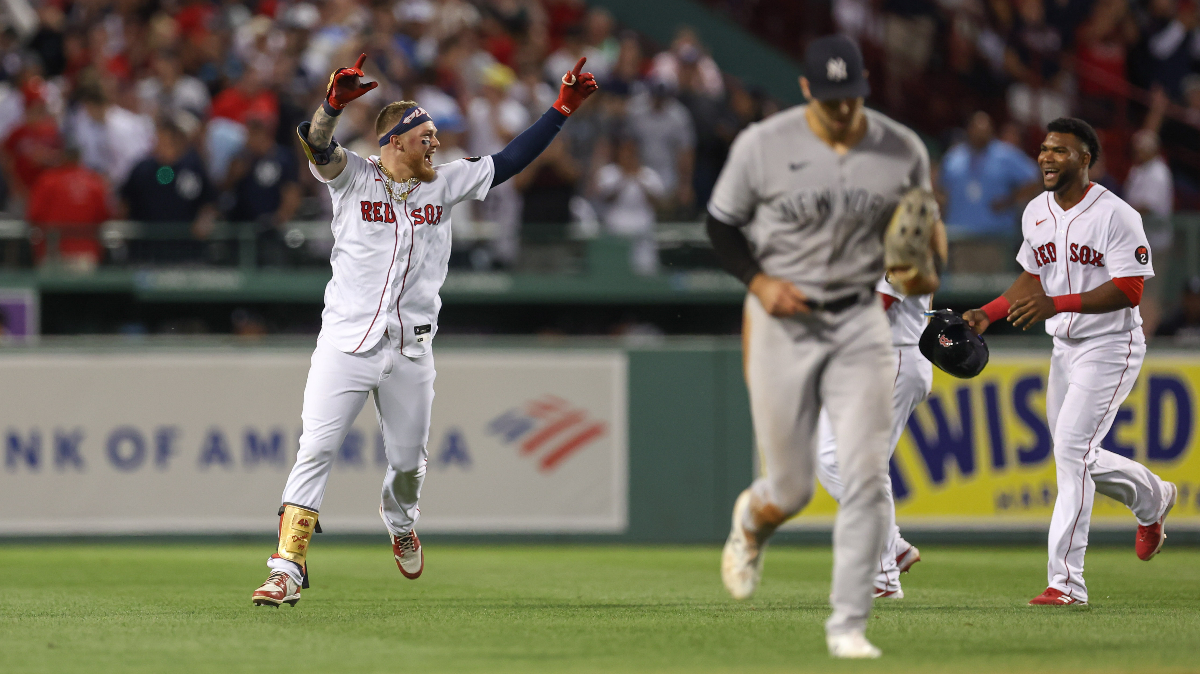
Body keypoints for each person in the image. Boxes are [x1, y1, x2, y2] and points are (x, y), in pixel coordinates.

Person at [251, 54, 598, 607]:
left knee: (408, 464)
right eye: (426, 136)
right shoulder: (354, 177)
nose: (436, 143)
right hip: (345, 344)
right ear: (394, 141)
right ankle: (286, 568)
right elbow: (317, 145)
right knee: (314, 450)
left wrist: (560, 110)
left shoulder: (447, 184)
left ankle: (400, 520)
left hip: (411, 350)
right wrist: (334, 105)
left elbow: (510, 160)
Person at [706, 36, 941, 659]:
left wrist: (921, 270)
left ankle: (862, 604)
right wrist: (761, 286)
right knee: (793, 484)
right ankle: (773, 527)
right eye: (830, 97)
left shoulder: (899, 158)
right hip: (810, 335)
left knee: (854, 466)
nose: (842, 110)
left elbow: (919, 272)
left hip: (874, 342)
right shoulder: (766, 146)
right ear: (807, 89)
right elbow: (722, 225)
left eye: (852, 97)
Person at [963, 118, 1177, 607]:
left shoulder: (1117, 215)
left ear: (1085, 159)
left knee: (1072, 452)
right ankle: (1153, 498)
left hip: (1111, 345)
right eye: (1043, 149)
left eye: (1060, 150)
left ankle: (1066, 582)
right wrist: (987, 313)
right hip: (1065, 348)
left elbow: (1129, 289)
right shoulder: (1036, 211)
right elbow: (1029, 278)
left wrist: (1056, 304)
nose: (1047, 157)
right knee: (1073, 452)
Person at [814, 274, 931, 599]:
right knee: (827, 457)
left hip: (891, 355)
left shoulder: (898, 228)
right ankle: (891, 548)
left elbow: (882, 300)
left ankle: (883, 576)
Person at [937, 111, 1041, 271]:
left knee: (994, 291)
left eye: (985, 129)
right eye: (977, 128)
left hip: (996, 237)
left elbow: (1034, 178)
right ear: (969, 130)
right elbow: (941, 190)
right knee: (963, 290)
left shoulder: (1005, 155)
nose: (981, 133)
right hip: (960, 238)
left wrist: (1010, 201)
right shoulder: (953, 158)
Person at [594, 136, 664, 276]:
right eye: (625, 152)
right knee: (614, 274)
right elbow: (606, 198)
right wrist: (624, 178)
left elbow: (659, 202)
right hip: (615, 233)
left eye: (632, 152)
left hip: (642, 234)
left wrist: (638, 178)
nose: (628, 155)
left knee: (645, 274)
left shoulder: (648, 174)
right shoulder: (609, 172)